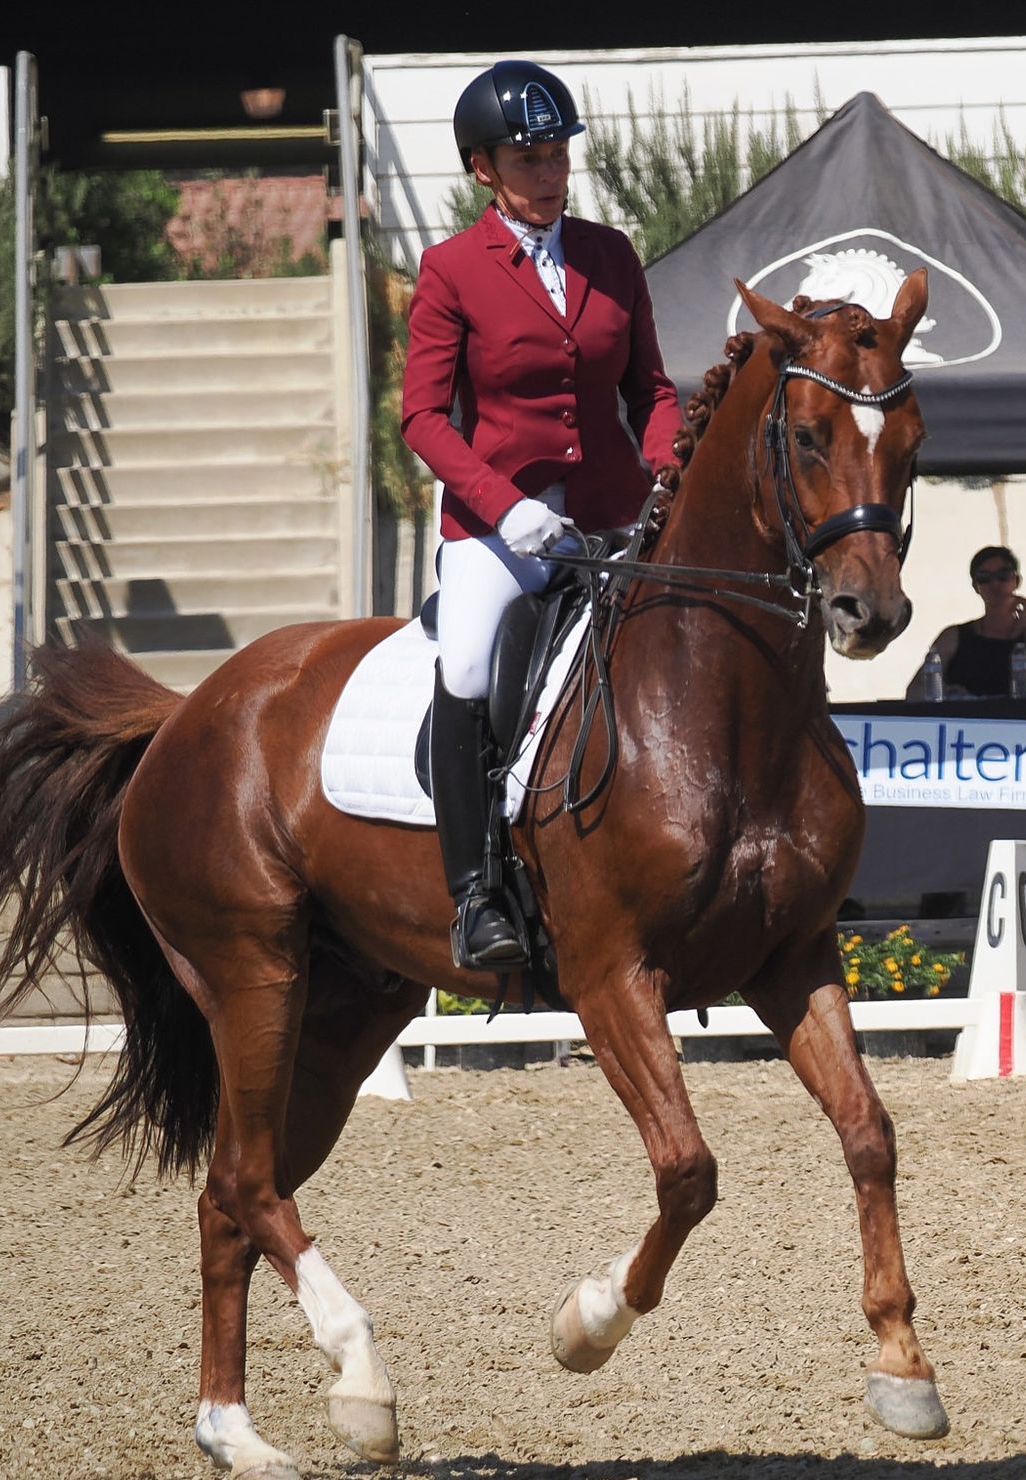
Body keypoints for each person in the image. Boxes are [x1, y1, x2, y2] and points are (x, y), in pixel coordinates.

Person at [401, 60, 681, 969]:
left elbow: (652, 390)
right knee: (473, 664)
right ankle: (475, 894)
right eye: (528, 157)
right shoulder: (450, 270)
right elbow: (420, 417)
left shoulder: (611, 254)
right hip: (502, 528)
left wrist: (670, 472)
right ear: (482, 168)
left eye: (557, 152)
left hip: (611, 518)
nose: (550, 172)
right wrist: (501, 505)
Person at [905, 545, 1026, 699]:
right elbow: (914, 691)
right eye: (984, 578)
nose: (995, 585)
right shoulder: (953, 637)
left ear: (1017, 580)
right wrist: (949, 694)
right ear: (975, 586)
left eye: (1003, 575)